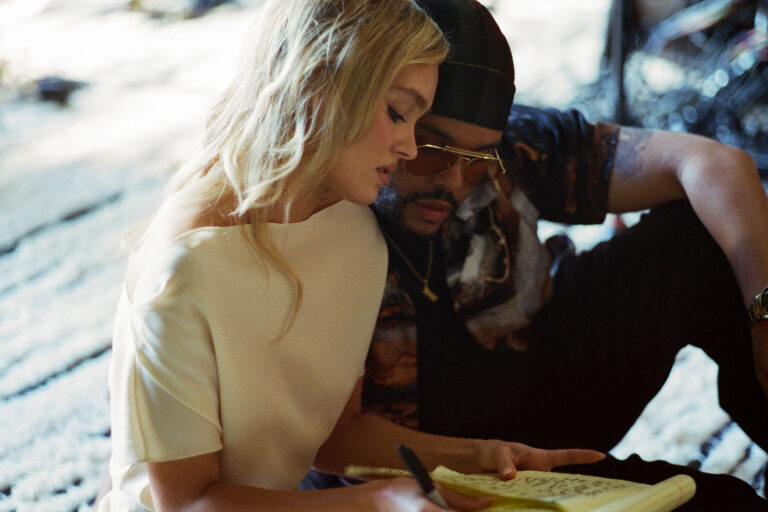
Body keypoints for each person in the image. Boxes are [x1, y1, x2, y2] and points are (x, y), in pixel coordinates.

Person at [100, 1, 606, 510]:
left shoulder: (356, 229)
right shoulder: (185, 268)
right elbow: (186, 504)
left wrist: (480, 454)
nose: (410, 148)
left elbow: (336, 439)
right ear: (319, 86)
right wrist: (377, 501)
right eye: (397, 113)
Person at [302, 0, 768, 508]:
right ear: (392, 121)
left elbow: (711, 163)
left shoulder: (509, 144)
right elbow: (330, 442)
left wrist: (764, 316)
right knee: (728, 504)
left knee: (703, 241)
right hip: (442, 470)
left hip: (543, 378)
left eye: (480, 161)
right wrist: (481, 457)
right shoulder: (325, 219)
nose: (455, 184)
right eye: (433, 149)